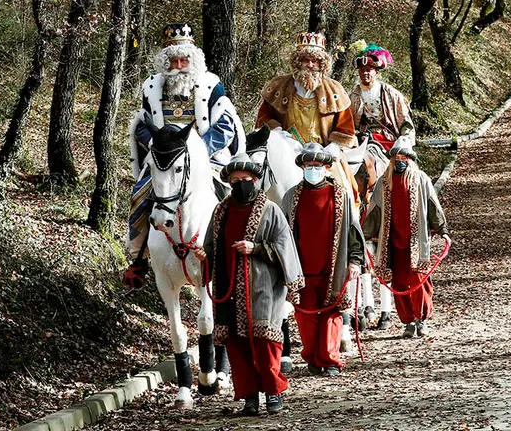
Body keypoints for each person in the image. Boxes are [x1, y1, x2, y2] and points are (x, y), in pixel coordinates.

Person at [123, 22, 246, 289]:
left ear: (193, 59)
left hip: (207, 159)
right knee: (140, 197)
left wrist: (198, 151)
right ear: (165, 62)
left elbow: (226, 124)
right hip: (164, 158)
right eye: (174, 60)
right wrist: (159, 145)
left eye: (184, 59)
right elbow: (142, 125)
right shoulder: (151, 87)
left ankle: (235, 259)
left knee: (230, 199)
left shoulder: (211, 85)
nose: (180, 65)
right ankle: (139, 259)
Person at [197, 152, 304, 416]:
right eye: (235, 180)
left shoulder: (271, 210)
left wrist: (255, 248)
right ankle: (249, 398)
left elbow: (284, 247)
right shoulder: (221, 210)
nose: (240, 183)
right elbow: (212, 244)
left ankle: (273, 393)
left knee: (266, 343)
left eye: (245, 178)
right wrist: (205, 255)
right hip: (228, 287)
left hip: (263, 288)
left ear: (255, 179)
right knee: (237, 344)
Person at [281, 144, 365, 377]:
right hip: (301, 268)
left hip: (333, 266)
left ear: (326, 167)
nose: (313, 170)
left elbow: (353, 230)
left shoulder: (341, 195)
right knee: (305, 316)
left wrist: (355, 260)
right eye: (309, 166)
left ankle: (330, 359)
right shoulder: (290, 197)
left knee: (332, 312)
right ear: (302, 168)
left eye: (317, 166)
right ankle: (312, 357)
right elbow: (282, 234)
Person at [362, 139, 451, 338]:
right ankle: (408, 322)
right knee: (399, 284)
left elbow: (433, 206)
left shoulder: (421, 179)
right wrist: (363, 236)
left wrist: (443, 230)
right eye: (396, 158)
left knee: (419, 281)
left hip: (416, 242)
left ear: (411, 160)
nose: (400, 161)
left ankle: (421, 319)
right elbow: (374, 211)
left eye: (404, 158)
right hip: (393, 243)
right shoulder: (384, 183)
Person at [255, 32, 359, 203]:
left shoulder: (335, 90)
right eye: (306, 60)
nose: (310, 65)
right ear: (297, 62)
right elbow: (263, 119)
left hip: (324, 154)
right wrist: (280, 134)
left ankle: (351, 225)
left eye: (315, 61)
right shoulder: (279, 86)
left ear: (322, 64)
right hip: (287, 153)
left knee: (345, 192)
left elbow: (346, 129)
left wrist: (333, 148)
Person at [348, 42, 415, 152]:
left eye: (368, 70)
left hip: (387, 138)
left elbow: (405, 121)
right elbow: (348, 124)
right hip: (362, 139)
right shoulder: (352, 97)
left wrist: (405, 139)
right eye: (362, 70)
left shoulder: (392, 94)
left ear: (377, 72)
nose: (365, 73)